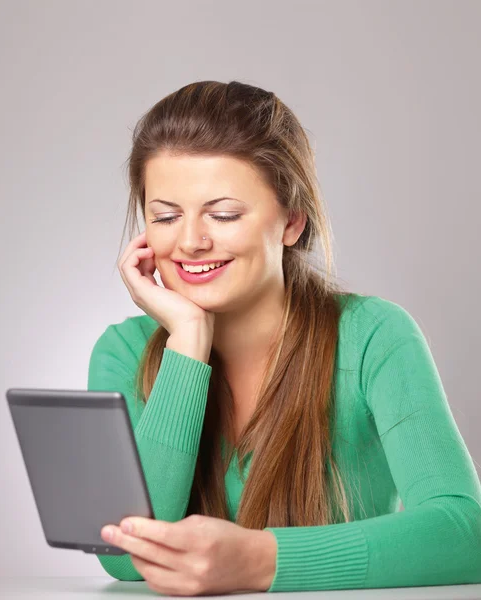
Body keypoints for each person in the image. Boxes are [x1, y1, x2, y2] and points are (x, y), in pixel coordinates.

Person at [87, 80, 481, 595]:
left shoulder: (374, 338)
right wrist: (188, 340)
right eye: (165, 216)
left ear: (292, 220)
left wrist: (258, 561)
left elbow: (464, 533)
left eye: (223, 214)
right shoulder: (122, 350)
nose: (189, 241)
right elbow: (123, 557)